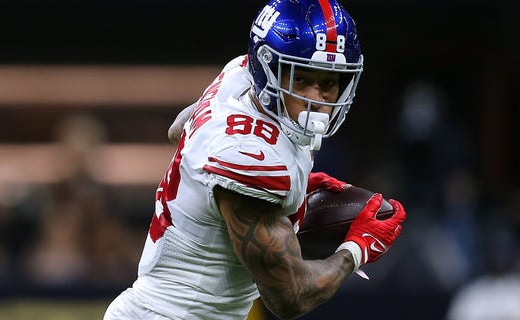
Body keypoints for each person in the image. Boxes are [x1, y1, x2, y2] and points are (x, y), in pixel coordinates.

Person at [104, 0, 407, 319]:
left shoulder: (237, 76)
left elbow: (178, 128)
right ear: (267, 70)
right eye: (300, 79)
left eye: (328, 83)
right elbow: (290, 297)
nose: (315, 100)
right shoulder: (250, 159)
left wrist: (289, 195)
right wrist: (355, 250)